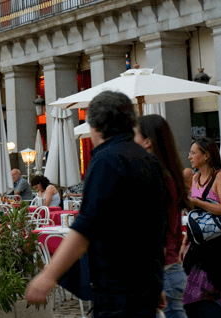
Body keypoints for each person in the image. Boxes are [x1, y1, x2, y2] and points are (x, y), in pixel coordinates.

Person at [26, 91, 168, 317]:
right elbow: (158, 227)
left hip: (117, 289)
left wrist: (47, 276)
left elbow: (87, 226)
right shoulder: (149, 161)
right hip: (146, 283)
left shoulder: (106, 160)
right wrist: (157, 278)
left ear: (93, 125)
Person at [135, 114, 189, 318]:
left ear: (147, 142)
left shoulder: (156, 177)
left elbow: (155, 233)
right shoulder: (164, 175)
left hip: (162, 273)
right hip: (167, 271)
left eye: (135, 135)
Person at [181, 137, 221, 317]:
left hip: (219, 249)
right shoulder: (195, 178)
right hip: (198, 248)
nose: (189, 156)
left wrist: (199, 203)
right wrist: (185, 243)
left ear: (206, 155)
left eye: (193, 153)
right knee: (191, 295)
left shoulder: (220, 176)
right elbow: (194, 219)